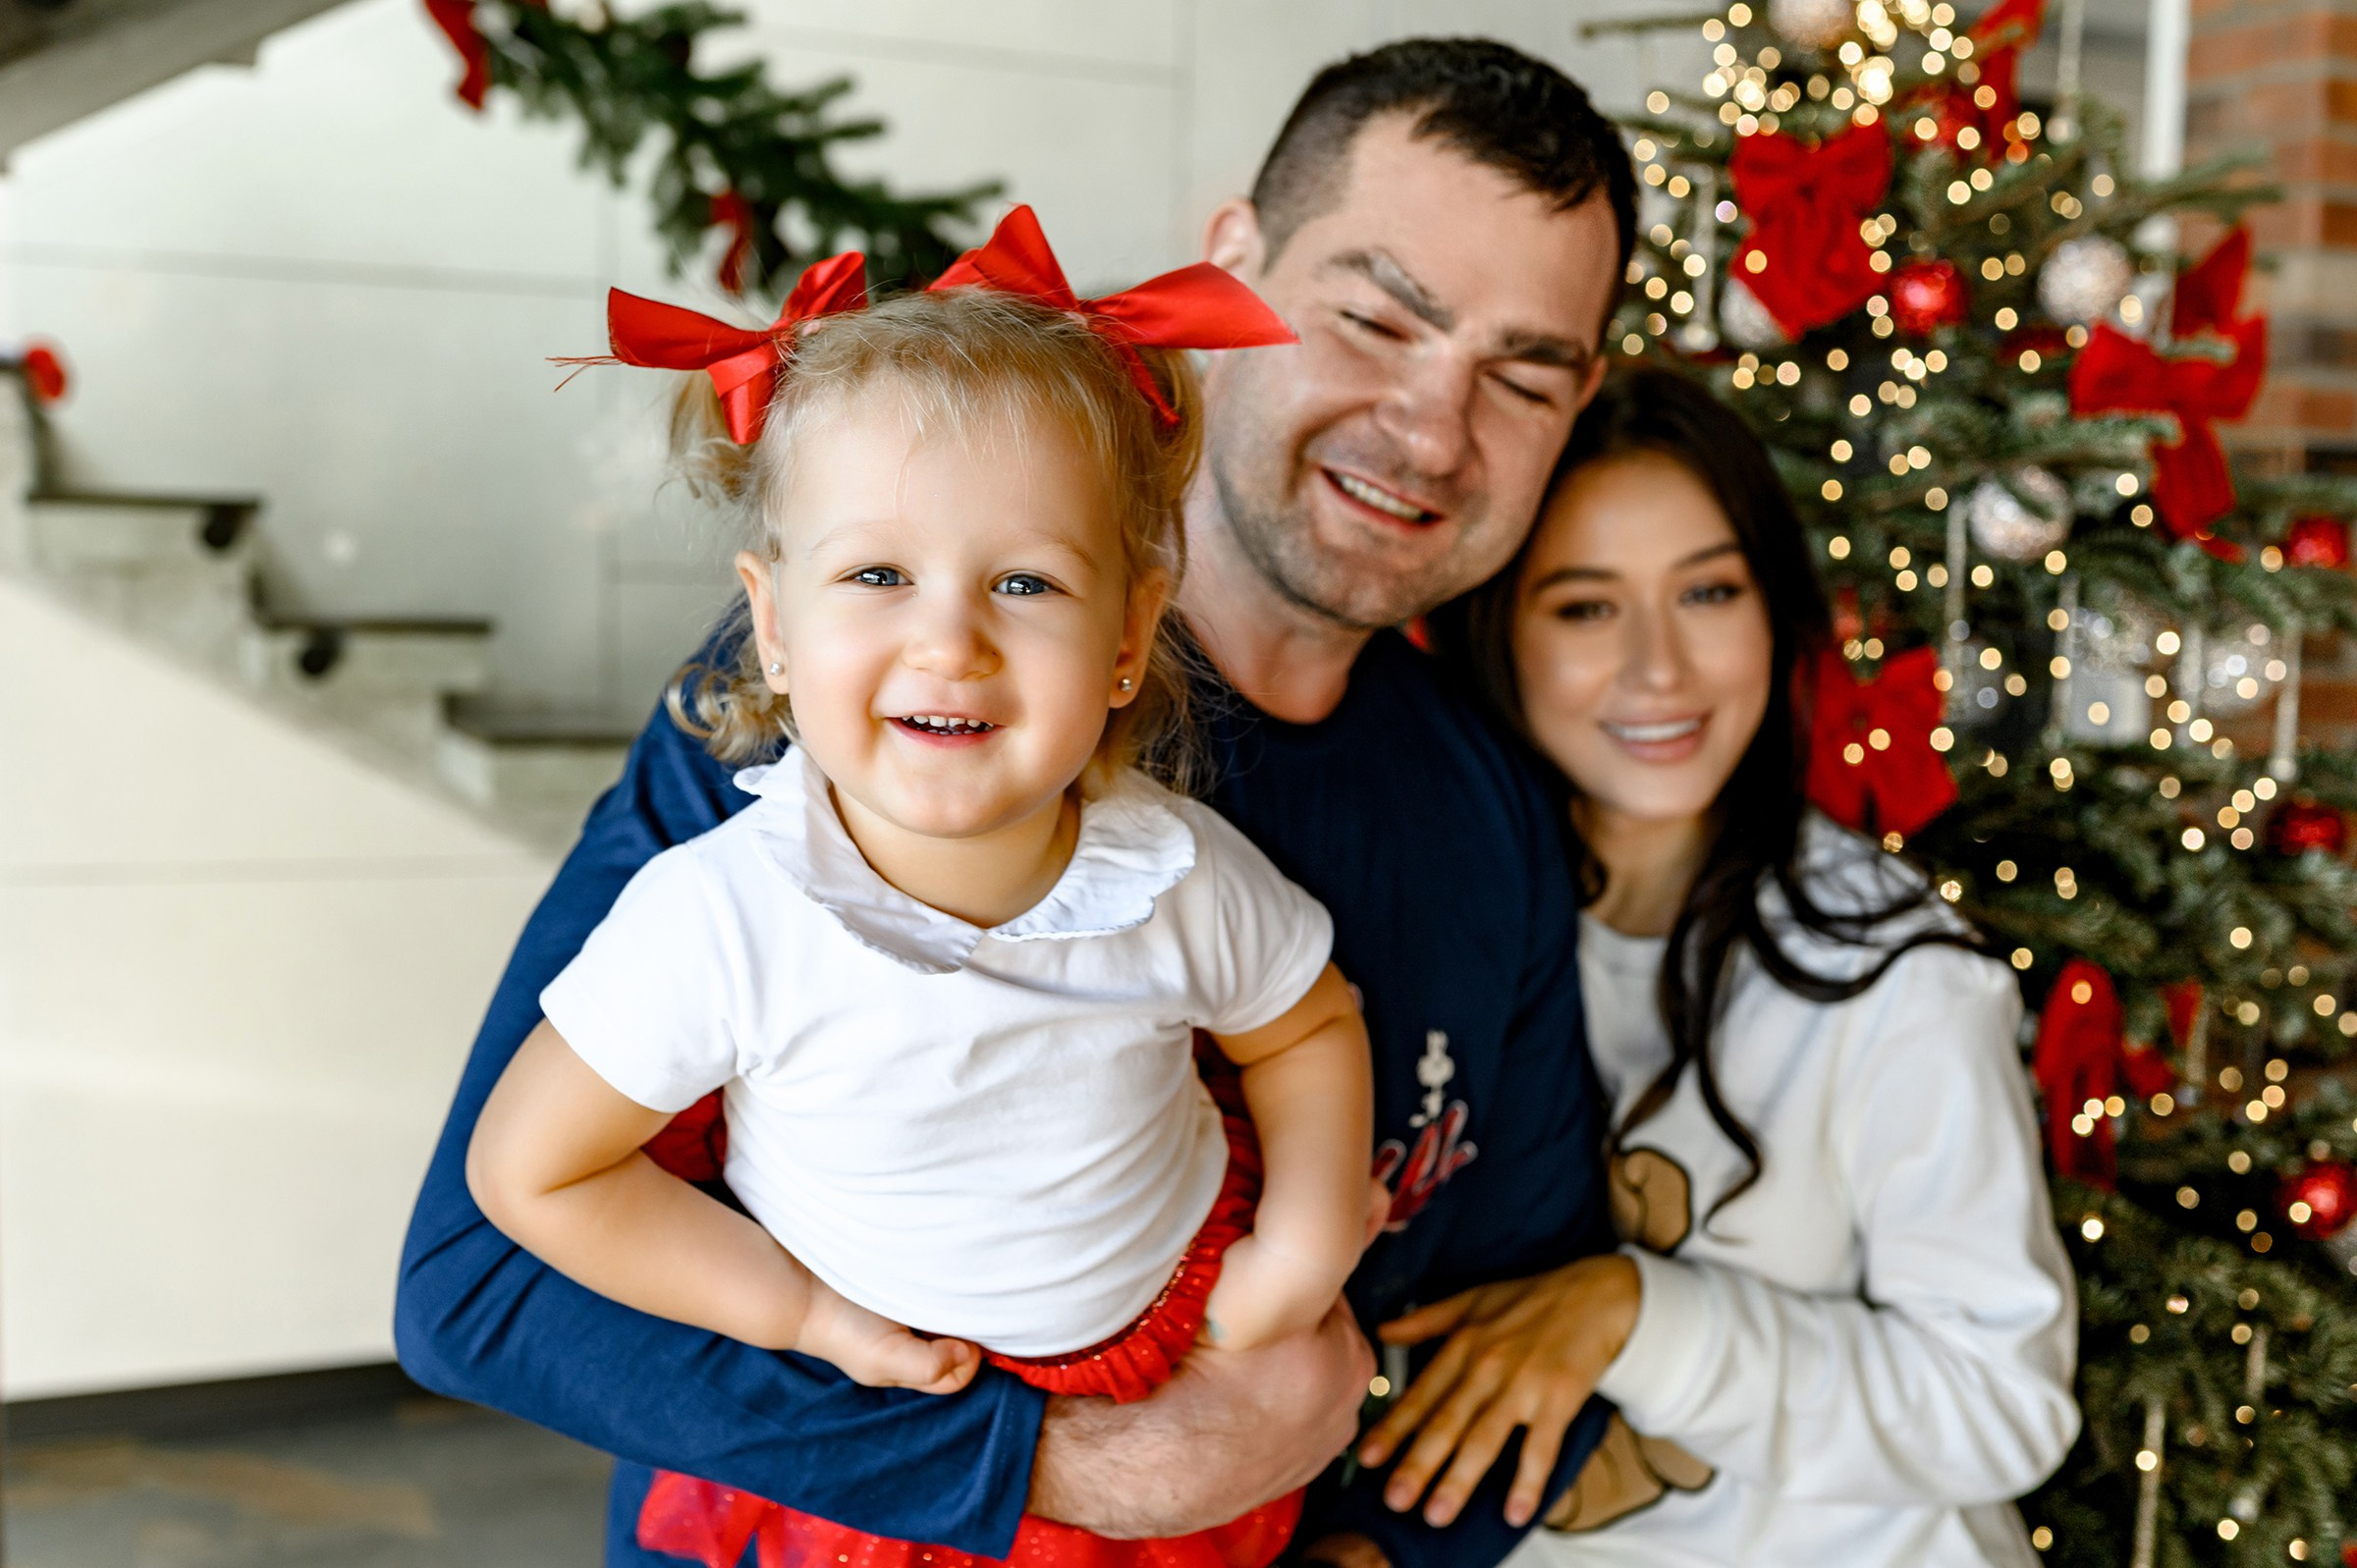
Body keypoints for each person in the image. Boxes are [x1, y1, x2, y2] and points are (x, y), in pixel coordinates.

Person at [395, 36, 1636, 1568]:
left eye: (1524, 374)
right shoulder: (856, 721)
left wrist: (1574, 1341)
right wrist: (1070, 1466)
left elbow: (1521, 1302)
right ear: (1230, 263)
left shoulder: (1484, 807)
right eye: (1376, 317)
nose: (1435, 429)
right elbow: (475, 1289)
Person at [467, 223, 1383, 1568]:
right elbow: (531, 1169)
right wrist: (796, 1317)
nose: (950, 640)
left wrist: (1301, 1252)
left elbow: (1304, 1023)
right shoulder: (720, 916)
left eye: (1024, 581)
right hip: (891, 1436)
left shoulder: (1174, 868)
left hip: (1174, 1366)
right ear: (772, 625)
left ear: (1128, 636)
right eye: (878, 576)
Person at [1371, 369, 2079, 1566]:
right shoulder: (1418, 928)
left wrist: (1636, 1315)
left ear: (1776, 611)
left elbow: (2002, 1400)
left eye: (1707, 591)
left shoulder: (1890, 971)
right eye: (1586, 607)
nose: (1660, 670)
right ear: (1497, 631)